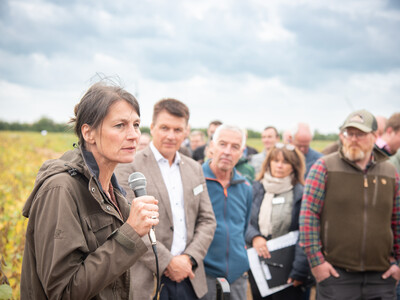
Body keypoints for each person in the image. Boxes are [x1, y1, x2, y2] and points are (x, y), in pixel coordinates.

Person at [20, 81, 159, 299]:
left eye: (136, 124)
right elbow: (63, 292)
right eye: (120, 125)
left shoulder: (111, 189)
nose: (133, 135)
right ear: (89, 133)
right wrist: (129, 233)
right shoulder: (60, 190)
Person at [116, 98, 216, 300]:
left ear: (186, 131)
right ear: (152, 127)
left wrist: (189, 259)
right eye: (164, 128)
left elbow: (207, 220)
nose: (171, 136)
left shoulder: (195, 168)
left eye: (178, 130)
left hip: (190, 277)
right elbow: (125, 224)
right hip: (148, 281)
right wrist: (168, 262)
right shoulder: (128, 166)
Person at [299, 109, 400, 299]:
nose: (353, 139)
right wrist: (317, 263)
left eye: (360, 134)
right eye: (349, 133)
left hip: (381, 277)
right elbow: (308, 217)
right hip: (336, 276)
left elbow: (397, 220)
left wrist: (399, 265)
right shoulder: (324, 167)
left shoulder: (390, 172)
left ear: (375, 136)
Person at [245, 143, 311, 300]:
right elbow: (243, 220)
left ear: (294, 166)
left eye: (285, 162)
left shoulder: (301, 193)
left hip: (289, 268)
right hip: (259, 264)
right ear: (268, 163)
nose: (279, 166)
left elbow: (306, 233)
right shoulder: (255, 188)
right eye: (275, 161)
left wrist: (299, 270)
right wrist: (254, 237)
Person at [201, 124, 253, 300]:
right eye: (222, 144)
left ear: (242, 152)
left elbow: (243, 228)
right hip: (203, 274)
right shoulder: (195, 180)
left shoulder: (245, 187)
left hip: (237, 276)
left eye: (235, 147)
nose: (228, 151)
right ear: (212, 147)